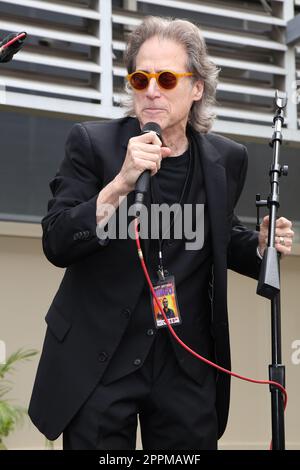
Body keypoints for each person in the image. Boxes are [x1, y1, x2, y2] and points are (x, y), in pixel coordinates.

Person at [29, 16, 294, 450]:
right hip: (103, 360)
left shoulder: (227, 159)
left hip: (184, 363)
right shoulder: (92, 145)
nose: (152, 90)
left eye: (167, 78)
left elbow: (220, 237)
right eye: (141, 77)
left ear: (196, 89)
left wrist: (261, 245)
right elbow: (56, 240)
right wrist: (119, 184)